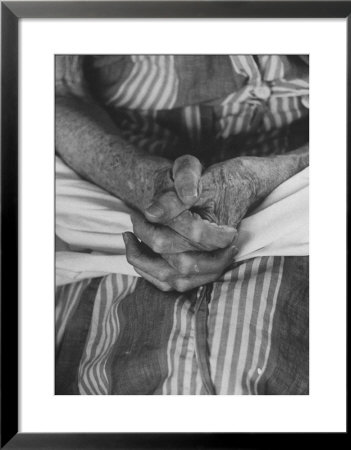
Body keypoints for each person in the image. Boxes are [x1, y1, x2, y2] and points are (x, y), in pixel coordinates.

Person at [55, 55, 309, 395]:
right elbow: (57, 86)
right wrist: (142, 182)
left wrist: (276, 171)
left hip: (307, 176)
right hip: (108, 170)